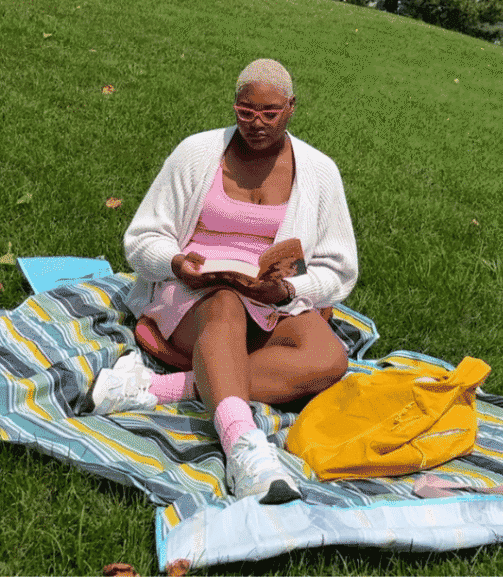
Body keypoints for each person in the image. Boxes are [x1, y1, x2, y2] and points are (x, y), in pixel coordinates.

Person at [86, 59, 359, 504]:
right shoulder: (196, 153)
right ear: (234, 106)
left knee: (329, 359)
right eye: (245, 112)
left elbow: (338, 267)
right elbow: (141, 238)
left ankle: (156, 388)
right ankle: (246, 451)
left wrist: (289, 290)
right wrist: (175, 263)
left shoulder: (319, 171)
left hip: (270, 299)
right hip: (196, 291)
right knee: (226, 303)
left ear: (291, 108)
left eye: (270, 113)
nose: (256, 124)